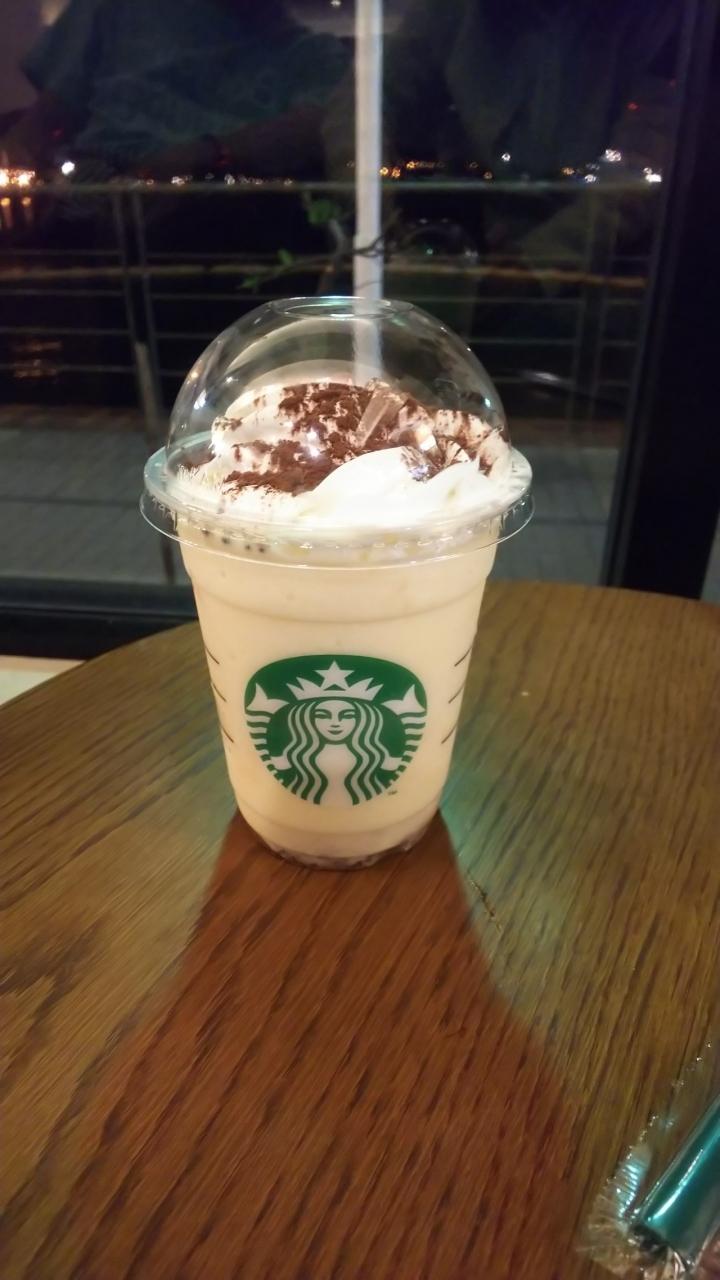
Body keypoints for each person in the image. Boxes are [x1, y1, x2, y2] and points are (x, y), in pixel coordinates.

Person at [1, 0, 348, 179]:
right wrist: (16, 157)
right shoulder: (116, 8)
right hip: (91, 195)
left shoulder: (313, 56)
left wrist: (208, 155)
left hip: (224, 212)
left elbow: (316, 125)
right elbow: (48, 115)